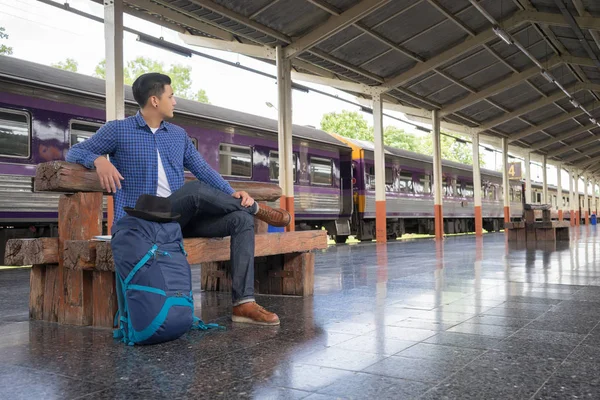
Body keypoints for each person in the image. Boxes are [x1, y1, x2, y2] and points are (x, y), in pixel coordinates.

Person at [66, 72, 291, 326]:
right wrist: (97, 160)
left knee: (240, 219)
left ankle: (244, 304)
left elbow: (203, 170)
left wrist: (231, 193)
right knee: (193, 191)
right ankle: (257, 209)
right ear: (154, 100)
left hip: (177, 220)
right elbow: (75, 150)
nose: (174, 102)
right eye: (171, 96)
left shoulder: (178, 135)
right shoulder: (119, 131)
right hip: (143, 221)